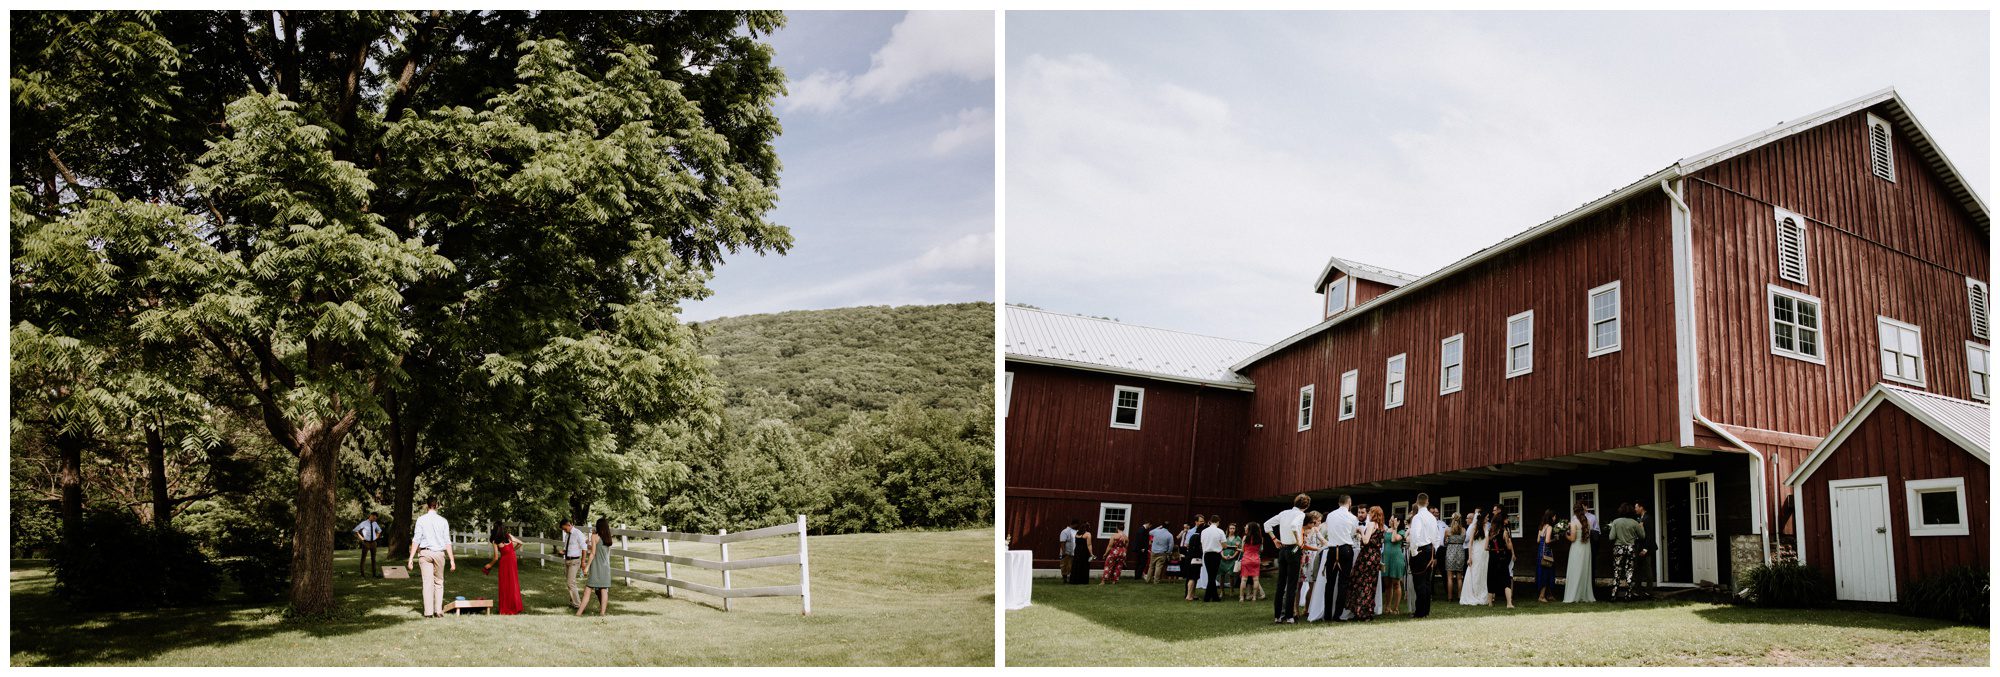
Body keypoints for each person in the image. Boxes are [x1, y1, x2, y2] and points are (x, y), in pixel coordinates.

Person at [1262, 493, 1310, 623]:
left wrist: (1274, 539)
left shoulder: (1284, 513)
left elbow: (1267, 524)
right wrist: (1299, 541)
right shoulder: (1300, 514)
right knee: (1291, 584)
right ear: (1306, 506)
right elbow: (1295, 526)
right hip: (1294, 549)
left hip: (1282, 549)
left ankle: (1277, 616)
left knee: (1280, 583)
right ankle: (1289, 616)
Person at [407, 498, 456, 618]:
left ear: (427, 506)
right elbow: (447, 542)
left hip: (425, 553)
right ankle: (438, 611)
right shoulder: (443, 521)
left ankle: (428, 613)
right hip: (439, 553)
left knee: (427, 583)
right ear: (437, 506)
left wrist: (410, 558)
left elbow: (416, 539)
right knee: (439, 582)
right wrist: (452, 560)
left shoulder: (421, 520)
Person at [1321, 495, 1358, 622]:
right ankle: (1337, 615)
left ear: (1339, 502)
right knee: (1343, 583)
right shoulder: (1353, 517)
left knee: (1329, 583)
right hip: (1345, 550)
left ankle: (1327, 615)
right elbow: (1352, 533)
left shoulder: (1330, 515)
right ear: (1349, 502)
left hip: (1332, 550)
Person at [1346, 506, 1386, 621]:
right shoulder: (1381, 527)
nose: (1368, 513)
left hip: (1367, 556)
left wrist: (1360, 531)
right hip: (1376, 556)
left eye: (1370, 512)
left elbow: (1365, 541)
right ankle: (1368, 611)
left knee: (1361, 582)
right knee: (1370, 583)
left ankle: (1360, 612)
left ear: (1373, 514)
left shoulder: (1371, 524)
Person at [1407, 493, 1441, 618]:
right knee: (1426, 581)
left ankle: (1420, 612)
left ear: (1417, 502)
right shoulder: (1432, 518)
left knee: (1419, 582)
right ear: (1427, 502)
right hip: (1430, 550)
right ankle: (1425, 611)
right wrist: (1434, 552)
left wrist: (1414, 552)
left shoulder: (1417, 517)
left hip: (1420, 550)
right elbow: (1437, 537)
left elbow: (1415, 535)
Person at [481, 520, 525, 615]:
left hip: (505, 560)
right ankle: (515, 606)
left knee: (505, 583)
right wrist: (512, 550)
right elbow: (521, 543)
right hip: (512, 558)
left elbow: (496, 558)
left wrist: (489, 565)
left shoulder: (495, 541)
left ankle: (506, 608)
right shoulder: (508, 536)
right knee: (513, 581)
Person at [1608, 502, 1646, 601]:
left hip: (1618, 548)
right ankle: (1628, 595)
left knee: (1617, 571)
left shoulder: (1616, 522)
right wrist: (1641, 528)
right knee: (1629, 571)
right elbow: (1642, 537)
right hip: (1630, 548)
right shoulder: (1634, 522)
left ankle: (1614, 595)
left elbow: (1611, 537)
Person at [578, 517, 615, 616]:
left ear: (598, 526)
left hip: (596, 566)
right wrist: (590, 543)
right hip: (605, 567)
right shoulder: (609, 537)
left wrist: (586, 567)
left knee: (588, 590)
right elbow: (601, 549)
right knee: (604, 590)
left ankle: (579, 613)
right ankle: (602, 613)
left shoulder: (594, 536)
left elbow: (593, 553)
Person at [1564, 501, 1597, 603]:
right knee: (1584, 571)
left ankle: (1574, 595)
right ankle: (1584, 594)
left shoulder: (1574, 522)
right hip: (1586, 548)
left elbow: (1573, 538)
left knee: (1575, 571)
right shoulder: (1588, 521)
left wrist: (1566, 535)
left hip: (1577, 548)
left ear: (1574, 511)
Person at [1298, 511, 1326, 620]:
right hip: (1304, 558)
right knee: (1299, 585)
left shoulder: (1315, 530)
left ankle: (1307, 608)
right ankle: (1295, 609)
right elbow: (1302, 545)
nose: (1318, 523)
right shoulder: (1302, 530)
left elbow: (1323, 541)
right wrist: (1317, 548)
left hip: (1314, 559)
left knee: (1312, 585)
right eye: (1317, 521)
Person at [1458, 508, 1489, 605]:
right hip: (1476, 552)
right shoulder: (1474, 527)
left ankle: (1482, 594)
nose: (1488, 519)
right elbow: (1470, 543)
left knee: (1483, 573)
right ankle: (1474, 594)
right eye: (1487, 517)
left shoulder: (1486, 526)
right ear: (1482, 518)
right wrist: (1469, 557)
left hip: (1485, 553)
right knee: (1475, 572)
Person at [1487, 506, 1516, 608]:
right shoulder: (1505, 532)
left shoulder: (1490, 533)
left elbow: (1486, 547)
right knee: (1506, 579)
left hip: (1492, 557)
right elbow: (1508, 546)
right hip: (1502, 557)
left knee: (1491, 578)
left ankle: (1490, 603)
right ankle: (1509, 603)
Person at [558, 518, 589, 608]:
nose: (564, 531)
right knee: (569, 582)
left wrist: (583, 562)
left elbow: (584, 548)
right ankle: (572, 602)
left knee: (570, 582)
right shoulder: (567, 535)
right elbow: (569, 548)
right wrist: (563, 552)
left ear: (569, 525)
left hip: (575, 561)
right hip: (567, 560)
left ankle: (578, 604)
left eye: (565, 529)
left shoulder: (577, 533)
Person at [1382, 515, 1407, 615]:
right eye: (1390, 519)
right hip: (1386, 559)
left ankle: (1396, 608)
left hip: (1396, 559)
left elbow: (1393, 539)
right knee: (1387, 585)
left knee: (1396, 584)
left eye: (1392, 520)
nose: (1389, 520)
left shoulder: (1402, 532)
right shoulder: (1386, 530)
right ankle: (1387, 607)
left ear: (1398, 522)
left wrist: (1395, 528)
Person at [1632, 502, 1656, 597]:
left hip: (1646, 548)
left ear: (1641, 507)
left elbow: (1649, 535)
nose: (1635, 509)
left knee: (1647, 570)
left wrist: (1645, 549)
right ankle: (1638, 591)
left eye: (1636, 507)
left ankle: (1649, 591)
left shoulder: (1648, 518)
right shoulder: (1640, 518)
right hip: (1639, 547)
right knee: (1638, 569)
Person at [1535, 509, 1558, 603]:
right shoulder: (1549, 527)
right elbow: (1547, 541)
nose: (1555, 518)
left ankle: (1549, 595)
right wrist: (1555, 539)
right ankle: (1541, 596)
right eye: (1554, 516)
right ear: (1551, 517)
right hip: (1546, 553)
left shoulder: (1541, 527)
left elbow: (1538, 540)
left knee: (1543, 573)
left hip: (1540, 552)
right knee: (1547, 574)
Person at [1200, 517, 1226, 601]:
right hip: (1216, 555)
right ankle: (1208, 597)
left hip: (1207, 555)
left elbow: (1202, 542)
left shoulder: (1204, 531)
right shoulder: (1220, 531)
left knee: (1211, 576)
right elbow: (1224, 545)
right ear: (1218, 522)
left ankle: (1214, 597)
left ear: (1210, 522)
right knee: (1212, 576)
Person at [1238, 523, 1265, 602]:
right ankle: (1254, 597)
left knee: (1244, 579)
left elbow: (1243, 550)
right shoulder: (1260, 538)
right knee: (1256, 580)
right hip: (1256, 559)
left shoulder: (1245, 537)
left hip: (1246, 559)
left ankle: (1241, 597)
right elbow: (1260, 550)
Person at [1181, 515, 1206, 600]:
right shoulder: (1192, 532)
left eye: (1203, 521)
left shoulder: (1200, 532)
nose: (1202, 523)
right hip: (1193, 556)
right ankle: (1188, 594)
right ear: (1196, 522)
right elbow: (1186, 544)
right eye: (1201, 521)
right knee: (1191, 576)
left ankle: (1192, 594)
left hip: (1194, 556)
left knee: (1195, 577)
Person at [352, 511, 382, 577]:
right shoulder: (364, 523)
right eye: (373, 518)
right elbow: (355, 530)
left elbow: (379, 531)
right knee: (363, 558)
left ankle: (374, 574)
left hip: (373, 543)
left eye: (375, 519)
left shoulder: (375, 523)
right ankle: (362, 574)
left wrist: (376, 537)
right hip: (366, 543)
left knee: (373, 559)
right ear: (370, 516)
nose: (374, 519)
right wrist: (362, 538)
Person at [1444, 515, 1467, 600]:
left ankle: (1450, 597)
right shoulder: (1463, 530)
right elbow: (1464, 540)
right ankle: (1459, 596)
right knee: (1459, 577)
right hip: (1460, 552)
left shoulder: (1447, 530)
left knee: (1449, 577)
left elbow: (1445, 542)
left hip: (1450, 552)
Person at [1221, 524, 1243, 590]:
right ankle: (1222, 591)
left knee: (1231, 575)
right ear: (1228, 529)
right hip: (1223, 557)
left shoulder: (1238, 538)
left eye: (1233, 528)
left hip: (1233, 558)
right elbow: (1220, 548)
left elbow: (1238, 549)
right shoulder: (1224, 537)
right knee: (1222, 575)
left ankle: (1231, 590)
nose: (1232, 530)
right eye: (1231, 528)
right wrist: (1223, 556)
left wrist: (1233, 556)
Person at [1058, 519, 1080, 584]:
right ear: (1074, 524)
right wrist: (1064, 552)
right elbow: (1062, 542)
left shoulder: (1076, 531)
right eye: (1077, 525)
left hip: (1074, 553)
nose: (1078, 526)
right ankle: (1064, 579)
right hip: (1067, 552)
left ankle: (1071, 579)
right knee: (1064, 565)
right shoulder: (1065, 531)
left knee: (1071, 566)